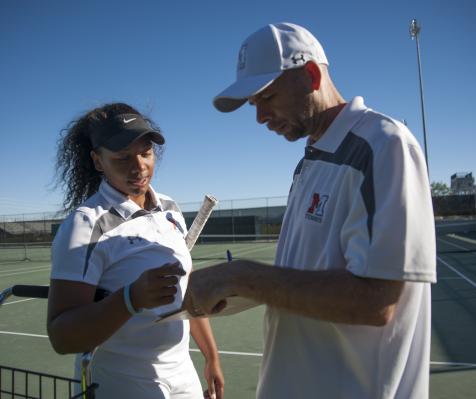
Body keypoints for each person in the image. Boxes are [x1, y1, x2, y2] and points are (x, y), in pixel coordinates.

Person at [183, 22, 436, 398]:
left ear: (312, 75)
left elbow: (377, 301)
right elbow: (303, 282)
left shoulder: (384, 145)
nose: (259, 118)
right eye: (254, 105)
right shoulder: (308, 164)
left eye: (266, 98)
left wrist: (242, 277)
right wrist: (226, 291)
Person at [47, 103, 224, 399]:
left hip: (182, 373)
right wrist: (131, 299)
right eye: (122, 157)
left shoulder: (170, 209)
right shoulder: (86, 224)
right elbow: (62, 336)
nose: (139, 166)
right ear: (98, 161)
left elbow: (187, 292)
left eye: (145, 153)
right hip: (120, 379)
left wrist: (212, 357)